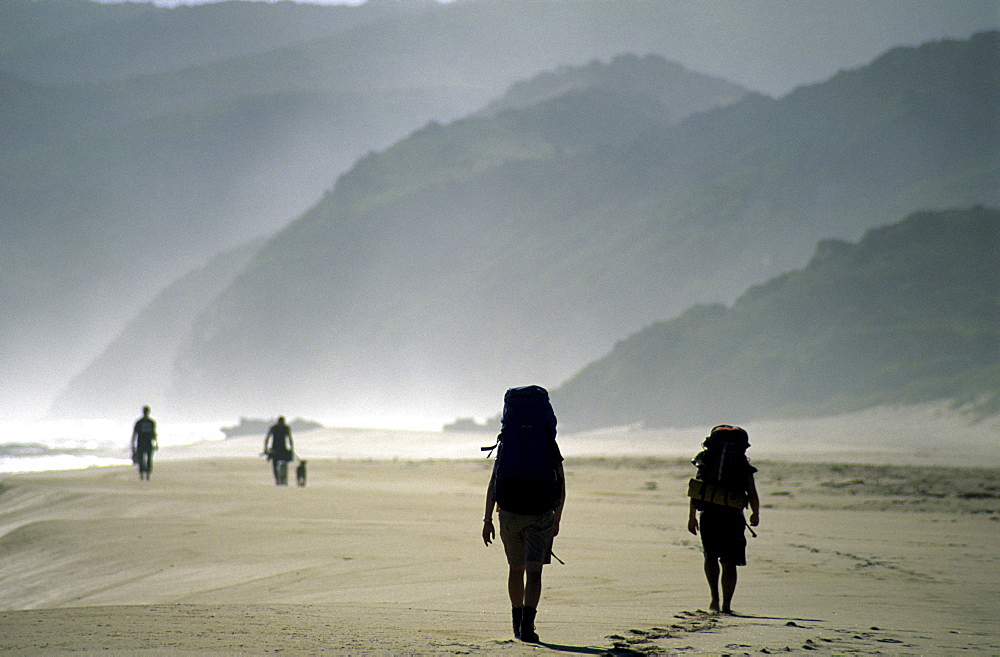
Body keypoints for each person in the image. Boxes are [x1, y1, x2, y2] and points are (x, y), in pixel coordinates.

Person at [482, 385, 565, 643]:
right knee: (535, 571)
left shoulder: (509, 442)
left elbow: (493, 483)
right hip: (540, 512)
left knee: (515, 569)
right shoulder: (546, 443)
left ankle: (517, 624)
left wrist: (487, 520)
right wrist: (557, 518)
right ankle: (528, 626)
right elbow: (561, 484)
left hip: (509, 512)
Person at [687, 425, 760, 614]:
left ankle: (714, 599)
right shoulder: (742, 465)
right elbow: (752, 491)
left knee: (710, 557)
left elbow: (697, 490)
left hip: (709, 514)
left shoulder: (705, 460)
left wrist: (691, 517)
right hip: (733, 516)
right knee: (729, 561)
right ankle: (727, 605)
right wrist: (755, 513)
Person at [263, 416, 295, 485]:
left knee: (284, 464)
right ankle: (278, 480)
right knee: (275, 465)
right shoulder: (274, 428)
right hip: (275, 450)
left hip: (283, 449)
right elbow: (267, 438)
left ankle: (283, 479)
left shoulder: (286, 428)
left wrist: (292, 448)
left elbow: (290, 439)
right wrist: (265, 448)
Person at [131, 405, 157, 481]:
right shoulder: (147, 422)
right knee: (142, 460)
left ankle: (146, 474)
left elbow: (154, 433)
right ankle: (143, 474)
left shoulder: (150, 422)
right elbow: (135, 433)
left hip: (146, 443)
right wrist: (133, 444)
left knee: (147, 460)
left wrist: (156, 442)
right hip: (143, 443)